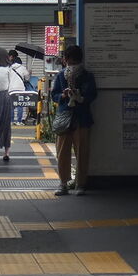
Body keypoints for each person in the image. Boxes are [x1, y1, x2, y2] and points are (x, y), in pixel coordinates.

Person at [52, 44, 98, 197]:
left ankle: (76, 183)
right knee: (68, 152)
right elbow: (54, 95)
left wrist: (80, 97)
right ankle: (68, 183)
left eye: (73, 61)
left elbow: (92, 95)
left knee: (77, 152)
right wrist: (63, 95)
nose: (71, 64)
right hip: (68, 118)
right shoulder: (62, 75)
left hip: (80, 118)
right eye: (71, 61)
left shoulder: (86, 76)